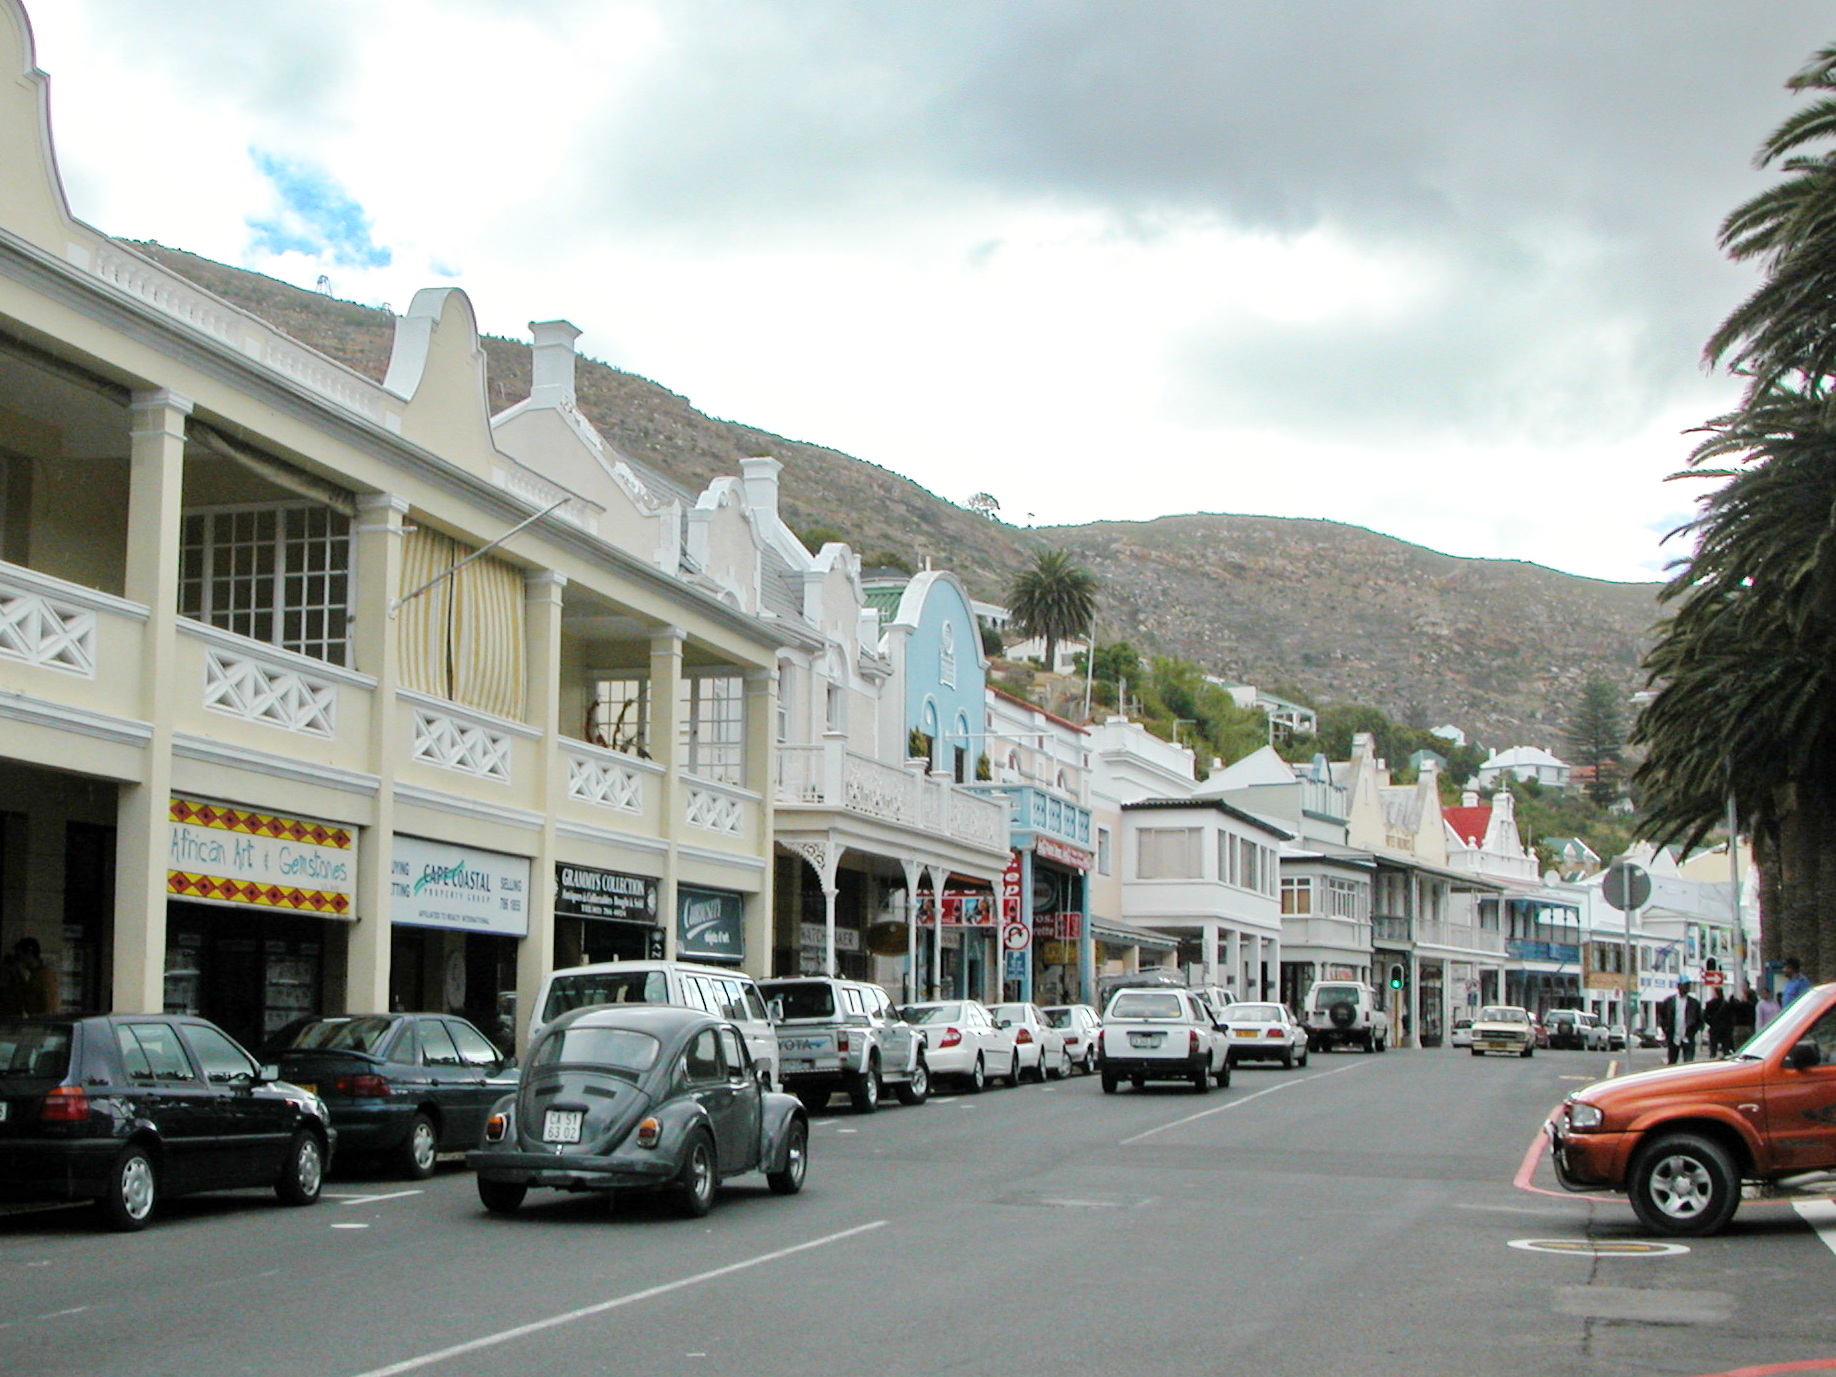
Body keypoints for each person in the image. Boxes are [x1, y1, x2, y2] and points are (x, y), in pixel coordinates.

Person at [0, 937, 57, 1016]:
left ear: (29, 954)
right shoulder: (35, 975)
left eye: (19, 955)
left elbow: (48, 1005)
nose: (19, 960)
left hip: (41, 1021)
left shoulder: (43, 976)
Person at [1655, 976, 1703, 1065]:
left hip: (1688, 1038)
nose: (1687, 988)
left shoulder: (1694, 1003)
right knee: (1672, 1062)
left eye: (1688, 985)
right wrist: (1666, 1030)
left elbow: (1699, 1020)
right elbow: (1662, 1017)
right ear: (1679, 986)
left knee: (1688, 1063)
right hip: (1673, 1037)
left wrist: (1692, 1031)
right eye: (1685, 985)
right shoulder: (1669, 1002)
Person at [1703, 987, 1735, 1057]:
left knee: (1713, 1050)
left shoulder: (1710, 1004)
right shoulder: (1726, 1004)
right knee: (1726, 1049)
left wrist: (1711, 1023)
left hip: (1714, 1029)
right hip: (1725, 1030)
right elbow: (1730, 1017)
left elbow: (1705, 1016)